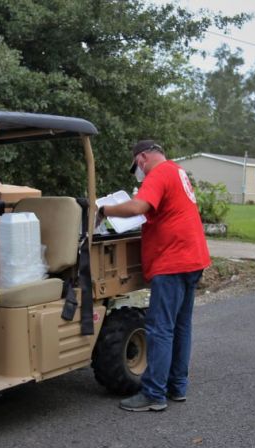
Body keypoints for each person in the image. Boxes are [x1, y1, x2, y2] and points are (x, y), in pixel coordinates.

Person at [96, 140, 211, 412]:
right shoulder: (177, 171)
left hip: (173, 261)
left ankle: (153, 394)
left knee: (160, 328)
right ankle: (176, 387)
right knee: (180, 326)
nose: (138, 170)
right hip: (193, 258)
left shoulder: (158, 173)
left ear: (143, 157)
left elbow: (137, 208)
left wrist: (104, 210)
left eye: (136, 165)